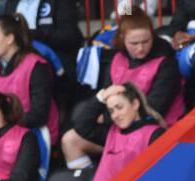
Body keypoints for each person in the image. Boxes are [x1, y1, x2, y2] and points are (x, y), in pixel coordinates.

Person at [64, 12, 182, 162]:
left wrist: (106, 117)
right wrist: (104, 111)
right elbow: (106, 95)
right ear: (122, 40)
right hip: (120, 126)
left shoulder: (166, 62)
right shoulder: (117, 58)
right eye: (133, 43)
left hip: (154, 130)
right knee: (71, 140)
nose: (140, 48)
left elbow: (154, 108)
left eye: (146, 41)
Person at [56, 82, 164, 181]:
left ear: (135, 104)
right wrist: (101, 98)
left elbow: (156, 178)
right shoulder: (111, 132)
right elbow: (82, 126)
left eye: (119, 107)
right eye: (111, 111)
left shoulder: (154, 134)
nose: (115, 115)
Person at [0, 14, 60, 167]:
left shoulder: (36, 65)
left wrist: (1, 125)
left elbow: (39, 115)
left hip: (32, 136)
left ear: (9, 39)